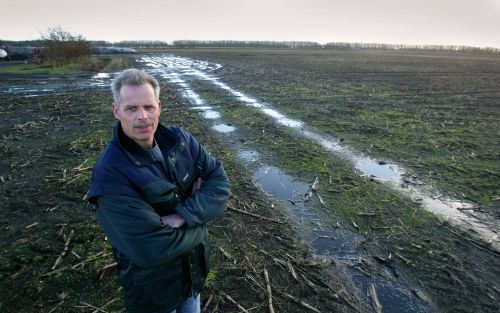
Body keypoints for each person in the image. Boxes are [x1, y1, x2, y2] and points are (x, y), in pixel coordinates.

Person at [87, 69, 230, 313]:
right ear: (116, 111)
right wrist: (201, 222)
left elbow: (219, 182)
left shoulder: (180, 140)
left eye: (148, 107)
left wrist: (182, 216)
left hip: (192, 276)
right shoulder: (111, 175)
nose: (142, 116)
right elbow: (151, 249)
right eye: (131, 108)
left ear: (159, 107)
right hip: (153, 292)